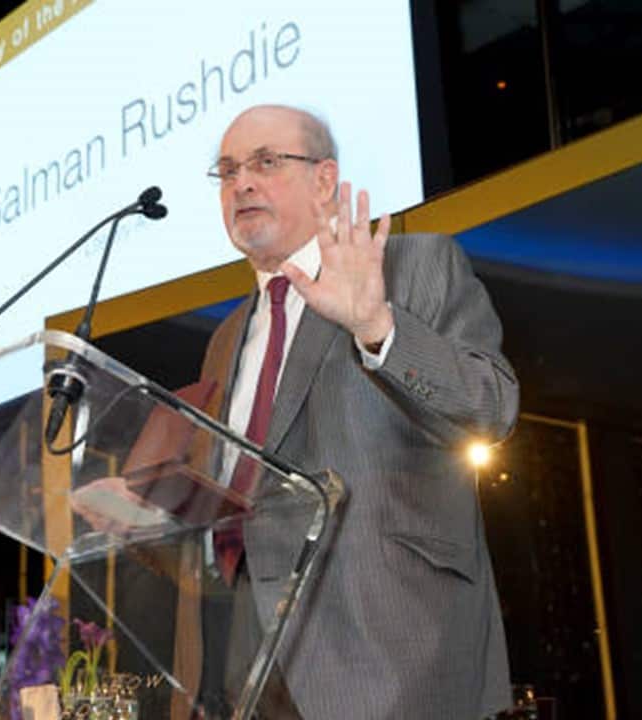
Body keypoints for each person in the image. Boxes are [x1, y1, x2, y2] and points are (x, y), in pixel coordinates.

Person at [190, 104, 519, 719]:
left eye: (265, 162)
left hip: (390, 647)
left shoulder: (413, 265)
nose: (242, 183)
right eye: (228, 171)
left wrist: (377, 327)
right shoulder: (227, 337)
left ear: (323, 180)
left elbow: (490, 408)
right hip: (243, 661)